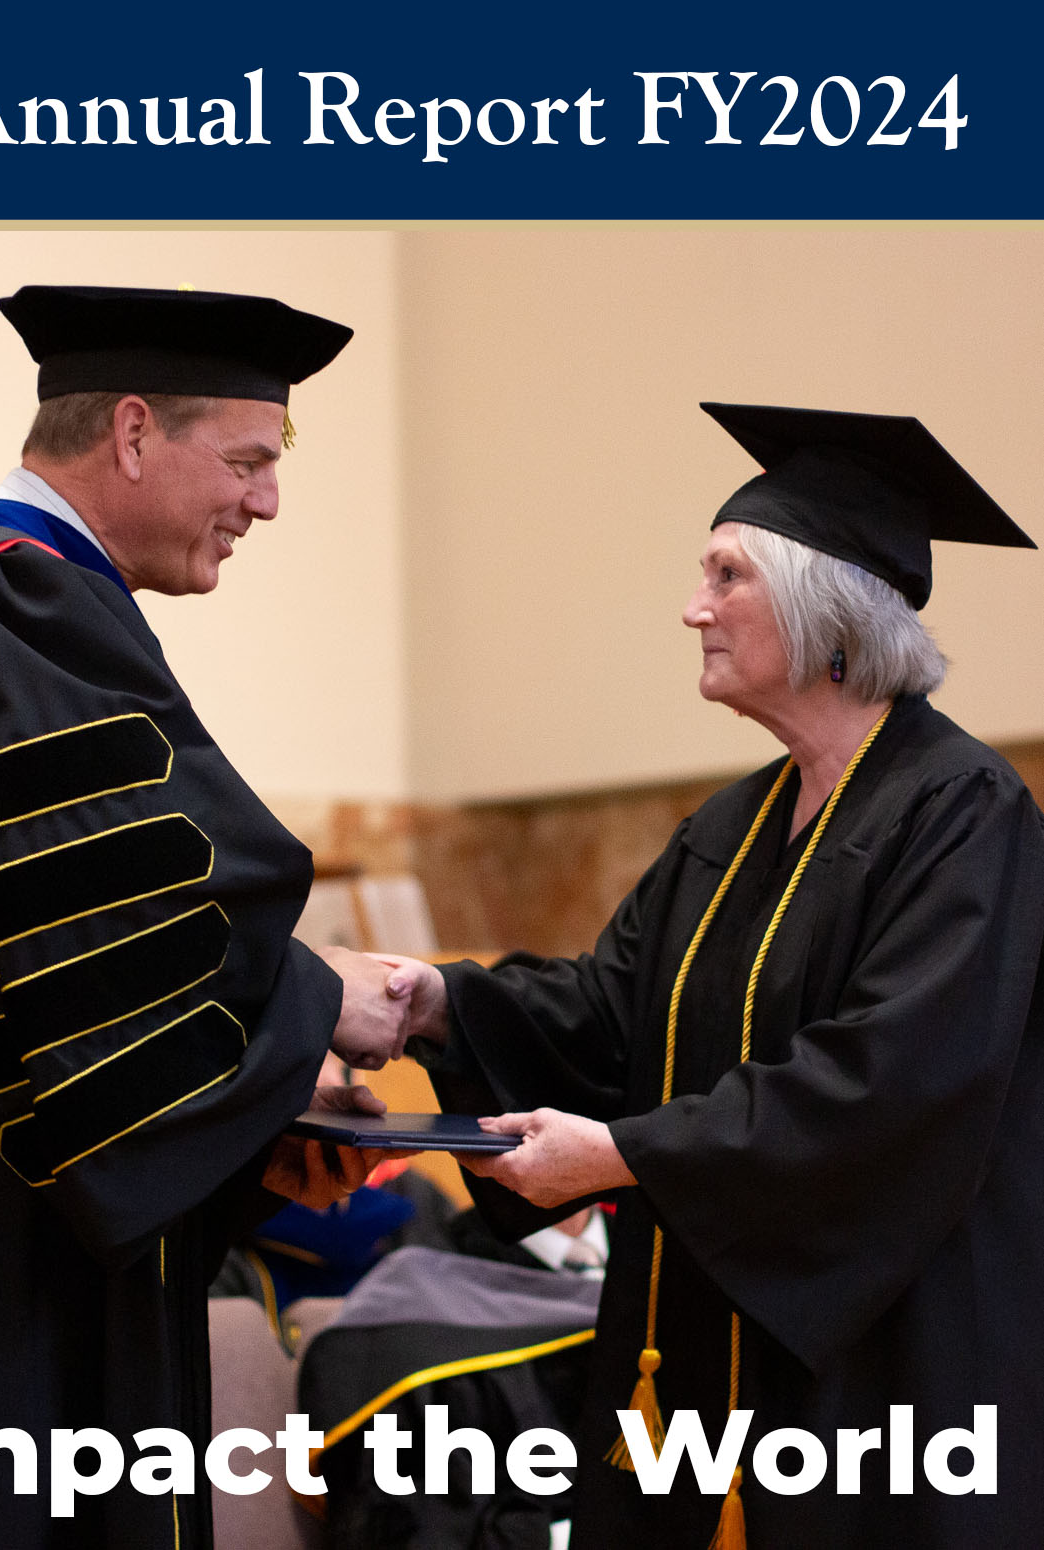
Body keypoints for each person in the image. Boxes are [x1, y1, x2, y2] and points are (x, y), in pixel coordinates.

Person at [384, 403, 1044, 1548]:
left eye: (726, 574)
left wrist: (629, 1152)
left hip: (881, 1363)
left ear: (821, 607)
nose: (694, 606)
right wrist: (438, 1002)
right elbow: (610, 1015)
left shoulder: (962, 812)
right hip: (693, 1350)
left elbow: (891, 1080)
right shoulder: (732, 828)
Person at [0, 284, 409, 1548]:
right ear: (133, 431)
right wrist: (322, 996)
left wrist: (258, 1113)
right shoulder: (10, 601)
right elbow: (132, 912)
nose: (267, 501)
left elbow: (41, 969)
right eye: (250, 459)